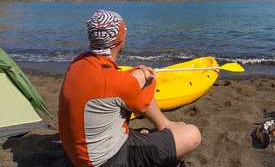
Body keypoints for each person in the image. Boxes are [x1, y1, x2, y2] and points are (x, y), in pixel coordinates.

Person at [58, 9, 201, 167]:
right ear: (121, 37)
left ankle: (163, 124)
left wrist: (138, 72)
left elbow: (115, 81)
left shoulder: (79, 62)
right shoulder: (114, 82)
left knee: (139, 77)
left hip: (79, 154)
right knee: (192, 134)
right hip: (107, 160)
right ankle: (163, 134)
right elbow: (141, 103)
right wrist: (150, 78)